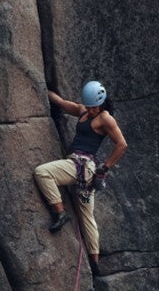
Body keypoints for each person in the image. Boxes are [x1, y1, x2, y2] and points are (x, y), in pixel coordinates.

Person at [32, 80, 128, 267]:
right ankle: (94, 261)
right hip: (81, 169)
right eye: (89, 106)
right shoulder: (83, 111)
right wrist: (40, 86)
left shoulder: (106, 119)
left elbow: (122, 144)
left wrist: (105, 167)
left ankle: (60, 213)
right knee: (87, 217)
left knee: (42, 173)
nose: (90, 110)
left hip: (82, 166)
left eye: (94, 107)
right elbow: (61, 102)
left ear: (101, 102)